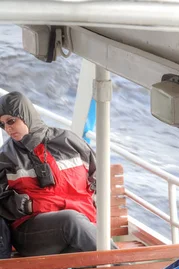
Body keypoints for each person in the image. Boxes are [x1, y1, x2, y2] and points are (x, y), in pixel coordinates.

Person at [0, 91, 102, 256]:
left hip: (82, 223)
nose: (7, 128)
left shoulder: (68, 141)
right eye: (2, 124)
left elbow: (98, 176)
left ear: (26, 115)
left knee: (78, 241)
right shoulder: (6, 157)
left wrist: (93, 202)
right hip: (31, 232)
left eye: (11, 121)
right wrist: (25, 205)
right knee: (70, 221)